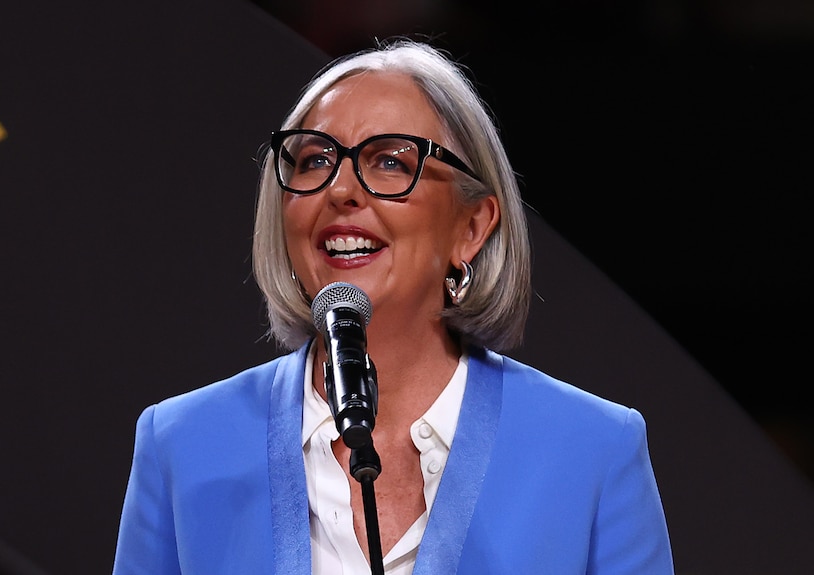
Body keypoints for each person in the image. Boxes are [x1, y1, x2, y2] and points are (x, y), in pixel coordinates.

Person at [112, 38, 674, 574]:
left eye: (390, 162)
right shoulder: (181, 444)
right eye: (313, 161)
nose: (340, 190)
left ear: (471, 227)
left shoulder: (595, 451)